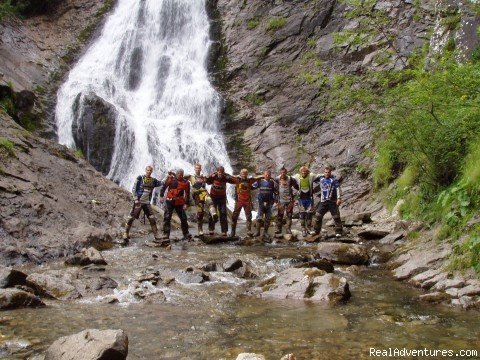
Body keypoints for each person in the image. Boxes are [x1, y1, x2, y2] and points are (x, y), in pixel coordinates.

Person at [123, 165, 162, 241]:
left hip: (147, 203)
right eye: (148, 170)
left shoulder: (153, 180)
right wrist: (136, 199)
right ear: (145, 170)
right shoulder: (140, 178)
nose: (149, 172)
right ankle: (125, 233)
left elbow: (161, 183)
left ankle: (156, 235)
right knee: (131, 217)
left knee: (152, 218)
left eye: (150, 170)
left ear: (152, 171)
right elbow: (134, 189)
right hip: (139, 202)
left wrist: (167, 176)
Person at [159, 169, 192, 241]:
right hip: (169, 201)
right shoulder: (170, 179)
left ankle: (186, 233)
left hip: (179, 202)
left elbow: (187, 194)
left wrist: (186, 203)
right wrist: (161, 196)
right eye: (178, 174)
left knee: (183, 218)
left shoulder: (186, 183)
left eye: (181, 174)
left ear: (183, 175)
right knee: (167, 217)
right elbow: (164, 187)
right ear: (176, 174)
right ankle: (166, 234)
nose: (180, 175)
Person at [230, 169, 261, 237]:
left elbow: (257, 179)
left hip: (247, 201)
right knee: (234, 216)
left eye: (245, 173)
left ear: (247, 174)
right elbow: (229, 177)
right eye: (243, 173)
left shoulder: (250, 180)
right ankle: (233, 232)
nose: (244, 174)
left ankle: (249, 230)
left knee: (249, 216)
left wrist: (264, 176)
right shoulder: (237, 179)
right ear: (240, 174)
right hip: (239, 201)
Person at [313, 165, 343, 237]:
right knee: (318, 216)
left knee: (336, 217)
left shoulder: (334, 180)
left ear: (330, 173)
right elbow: (312, 177)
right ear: (324, 173)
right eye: (325, 172)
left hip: (332, 201)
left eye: (328, 172)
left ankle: (338, 232)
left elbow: (338, 188)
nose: (327, 173)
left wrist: (339, 198)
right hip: (323, 201)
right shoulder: (320, 178)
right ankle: (316, 231)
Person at [206, 166, 236, 236]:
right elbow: (207, 182)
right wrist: (210, 176)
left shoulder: (225, 176)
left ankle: (224, 231)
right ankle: (211, 229)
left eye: (222, 173)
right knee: (212, 213)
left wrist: (229, 176)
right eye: (219, 172)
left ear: (223, 172)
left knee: (223, 213)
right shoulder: (214, 176)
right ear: (217, 172)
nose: (220, 174)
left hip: (222, 197)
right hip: (213, 197)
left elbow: (234, 181)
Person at [292, 165, 321, 237]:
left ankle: (308, 228)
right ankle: (303, 229)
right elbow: (288, 178)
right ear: (300, 172)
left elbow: (318, 175)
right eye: (302, 171)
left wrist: (328, 175)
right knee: (302, 214)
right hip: (301, 199)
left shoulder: (311, 176)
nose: (304, 173)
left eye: (305, 171)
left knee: (310, 214)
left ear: (307, 172)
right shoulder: (297, 176)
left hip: (309, 199)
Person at [188, 163, 216, 235]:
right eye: (196, 168)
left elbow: (209, 182)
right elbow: (193, 183)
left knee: (210, 202)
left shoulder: (203, 177)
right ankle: (200, 229)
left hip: (204, 193)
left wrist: (212, 176)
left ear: (200, 169)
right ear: (195, 169)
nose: (198, 169)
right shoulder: (191, 176)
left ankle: (214, 214)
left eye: (199, 168)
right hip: (197, 195)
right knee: (200, 213)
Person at [253, 170, 278, 239]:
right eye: (266, 174)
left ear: (270, 175)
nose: (267, 176)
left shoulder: (272, 182)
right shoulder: (259, 181)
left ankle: (265, 232)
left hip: (269, 203)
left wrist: (275, 199)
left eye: (268, 174)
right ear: (264, 175)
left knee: (268, 218)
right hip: (261, 202)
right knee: (259, 217)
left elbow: (276, 192)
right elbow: (252, 187)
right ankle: (258, 232)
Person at [275, 166, 299, 236]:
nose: (283, 174)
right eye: (281, 172)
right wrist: (276, 200)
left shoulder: (290, 179)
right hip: (281, 200)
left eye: (284, 172)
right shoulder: (277, 179)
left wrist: (296, 196)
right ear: (280, 173)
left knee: (289, 215)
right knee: (280, 215)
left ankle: (288, 229)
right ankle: (278, 229)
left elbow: (297, 187)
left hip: (289, 201)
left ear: (286, 172)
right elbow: (275, 189)